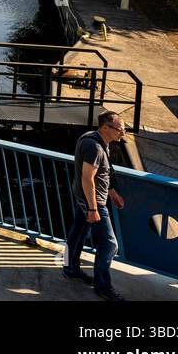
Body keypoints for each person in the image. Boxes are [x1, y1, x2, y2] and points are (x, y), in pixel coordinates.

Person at [63, 110, 127, 300]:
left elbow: (101, 174)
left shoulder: (91, 138)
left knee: (79, 231)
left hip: (85, 196)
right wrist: (93, 208)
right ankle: (103, 286)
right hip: (93, 201)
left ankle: (70, 267)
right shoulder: (96, 148)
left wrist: (112, 191)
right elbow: (88, 178)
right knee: (109, 244)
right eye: (120, 130)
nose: (122, 133)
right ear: (105, 127)